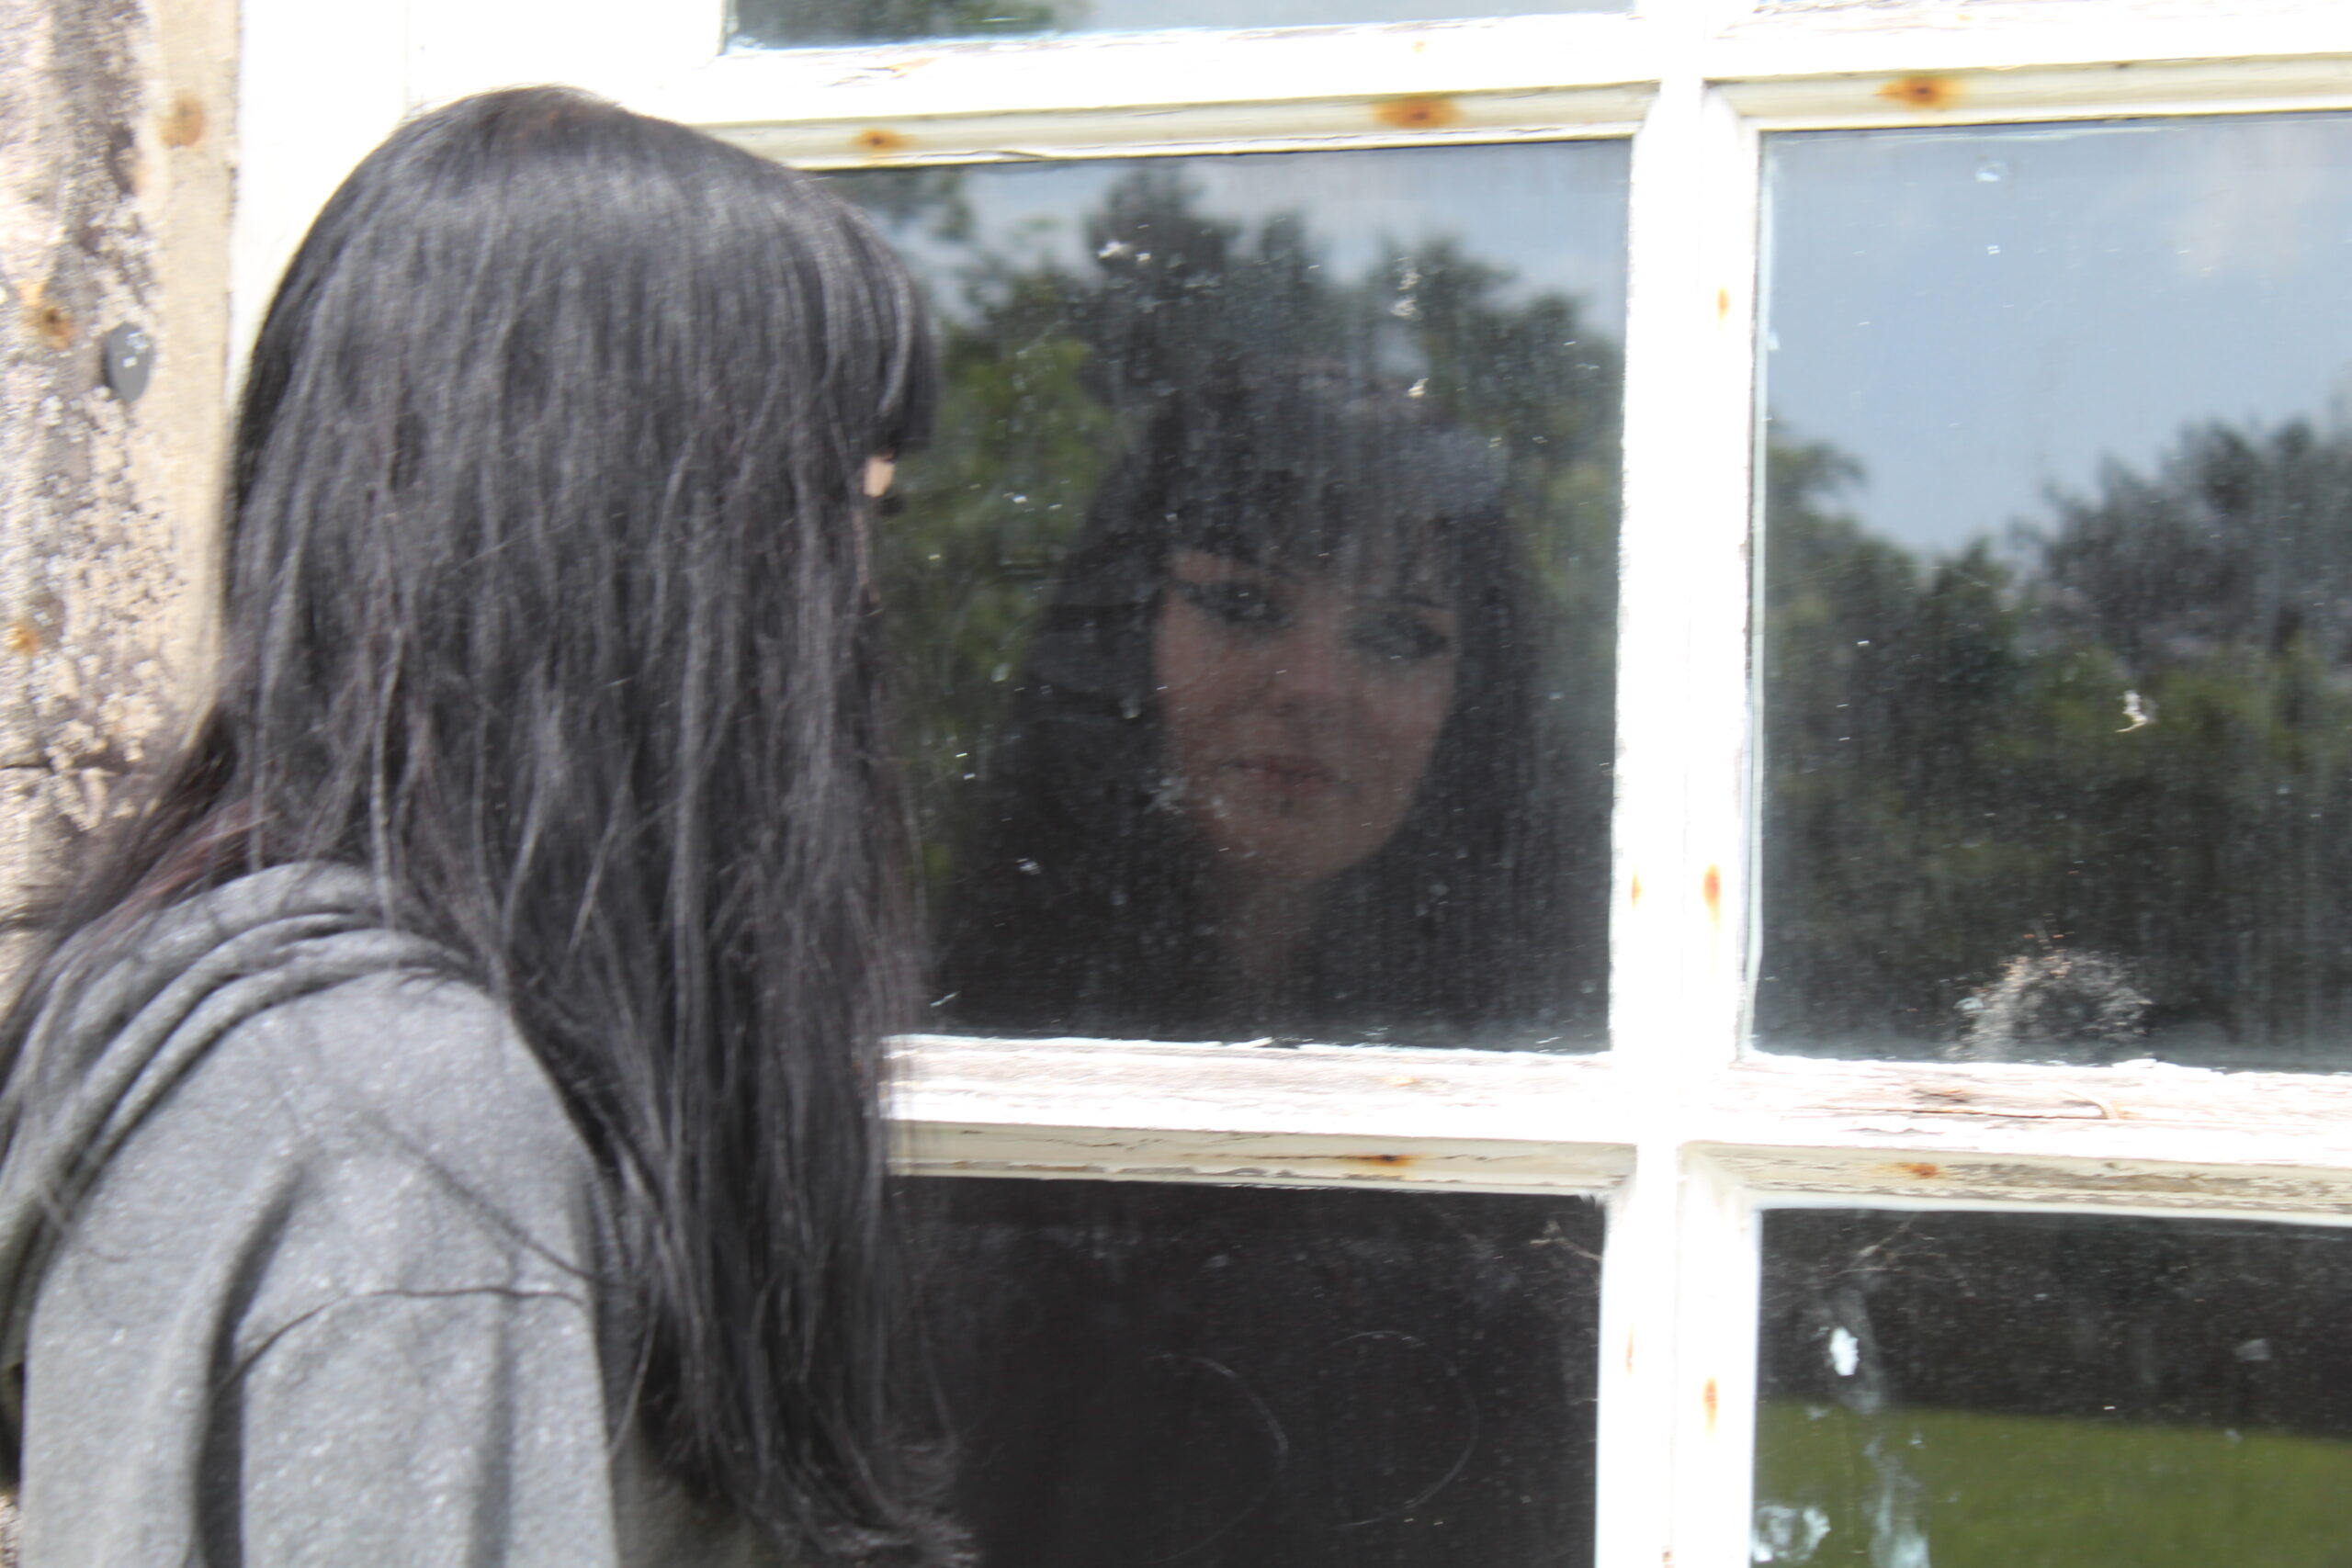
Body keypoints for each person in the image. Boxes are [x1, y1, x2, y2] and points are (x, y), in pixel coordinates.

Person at [0, 88, 964, 1566]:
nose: (861, 596)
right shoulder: (408, 1136)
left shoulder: (309, 1057)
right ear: (655, 544)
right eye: (842, 509)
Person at [933, 367, 1585, 1043]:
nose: (1314, 688)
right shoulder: (940, 1026)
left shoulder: (1572, 1045)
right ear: (1125, 638)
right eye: (1242, 605)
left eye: (1395, 636)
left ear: (1473, 694)